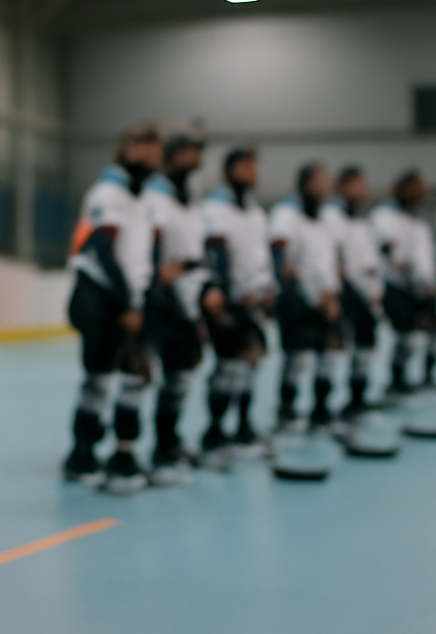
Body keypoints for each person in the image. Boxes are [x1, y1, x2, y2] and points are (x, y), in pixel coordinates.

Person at [62, 123, 163, 493]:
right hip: (102, 297)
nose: (154, 152)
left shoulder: (145, 199)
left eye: (156, 146)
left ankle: (125, 454)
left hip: (133, 298)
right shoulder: (107, 193)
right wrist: (126, 303)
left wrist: (142, 299)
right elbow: (101, 251)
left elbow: (144, 255)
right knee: (99, 380)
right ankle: (81, 454)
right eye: (145, 145)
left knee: (136, 377)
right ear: (126, 149)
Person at [143, 134, 214, 484]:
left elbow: (199, 255)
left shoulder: (194, 203)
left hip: (189, 298)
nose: (193, 160)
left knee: (181, 376)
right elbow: (152, 250)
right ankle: (149, 451)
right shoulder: (155, 198)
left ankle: (169, 443)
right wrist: (161, 274)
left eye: (196, 154)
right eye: (185, 154)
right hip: (160, 298)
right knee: (143, 376)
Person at [201, 148, 276, 465]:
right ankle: (215, 433)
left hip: (254, 301)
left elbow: (262, 258)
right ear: (228, 172)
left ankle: (243, 427)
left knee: (250, 365)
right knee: (227, 368)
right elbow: (214, 257)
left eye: (254, 167)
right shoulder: (215, 211)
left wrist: (268, 288)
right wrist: (223, 292)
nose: (251, 173)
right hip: (228, 301)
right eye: (245, 167)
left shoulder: (257, 214)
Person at [269, 163, 342, 429]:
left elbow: (331, 260)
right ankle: (286, 410)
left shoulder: (329, 218)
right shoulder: (286, 215)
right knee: (297, 357)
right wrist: (309, 294)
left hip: (326, 299)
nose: (325, 184)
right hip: (297, 299)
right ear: (305, 183)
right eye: (320, 179)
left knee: (329, 355)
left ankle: (321, 410)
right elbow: (284, 264)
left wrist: (331, 294)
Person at [372, 170, 436, 395]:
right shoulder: (384, 216)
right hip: (397, 286)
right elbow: (389, 253)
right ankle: (397, 380)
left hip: (424, 288)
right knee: (406, 336)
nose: (422, 194)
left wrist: (430, 281)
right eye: (418, 189)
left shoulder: (420, 222)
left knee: (435, 332)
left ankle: (428, 376)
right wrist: (407, 273)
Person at [321, 165, 384, 419]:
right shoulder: (331, 218)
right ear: (342, 187)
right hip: (344, 291)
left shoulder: (364, 221)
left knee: (366, 345)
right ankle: (323, 406)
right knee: (336, 348)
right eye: (356, 185)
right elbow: (332, 255)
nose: (361, 190)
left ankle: (357, 399)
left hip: (366, 293)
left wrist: (374, 289)